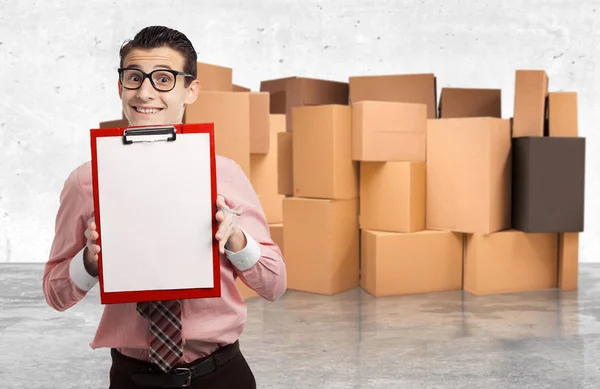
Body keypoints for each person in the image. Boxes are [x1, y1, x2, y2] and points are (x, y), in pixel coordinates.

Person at [42, 25, 286, 389]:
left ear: (191, 90)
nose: (145, 92)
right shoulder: (85, 181)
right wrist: (90, 261)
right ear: (120, 85)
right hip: (132, 378)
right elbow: (55, 294)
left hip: (220, 374)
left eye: (163, 79)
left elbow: (275, 284)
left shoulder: (225, 174)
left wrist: (236, 239)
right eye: (134, 78)